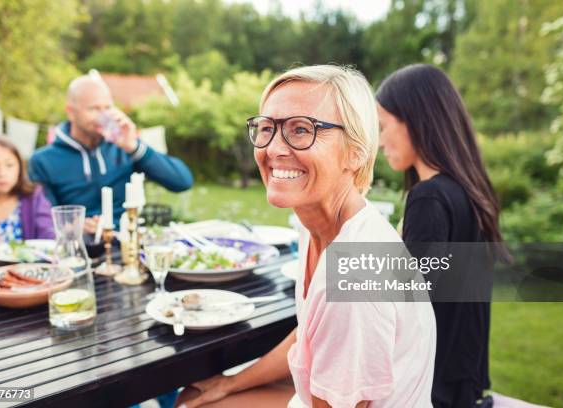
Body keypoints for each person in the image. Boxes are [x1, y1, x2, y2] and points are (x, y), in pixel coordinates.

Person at [175, 65, 436, 408]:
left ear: (356, 151)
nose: (274, 148)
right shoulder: (315, 227)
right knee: (197, 396)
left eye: (301, 129)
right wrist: (230, 384)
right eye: (266, 128)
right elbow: (310, 337)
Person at [377, 64, 508, 408]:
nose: (379, 141)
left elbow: (403, 307)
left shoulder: (430, 198)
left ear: (415, 121)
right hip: (464, 380)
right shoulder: (468, 191)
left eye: (383, 126)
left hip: (429, 390)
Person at [28, 75, 193, 234]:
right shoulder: (43, 160)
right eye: (94, 109)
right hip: (78, 248)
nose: (103, 116)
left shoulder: (124, 148)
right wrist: (75, 225)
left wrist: (133, 146)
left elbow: (182, 182)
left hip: (125, 243)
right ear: (71, 112)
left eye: (107, 108)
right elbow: (43, 221)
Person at [0, 136, 54, 256]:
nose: (2, 173)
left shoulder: (33, 197)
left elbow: (48, 235)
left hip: (29, 271)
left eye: (10, 165)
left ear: (20, 167)